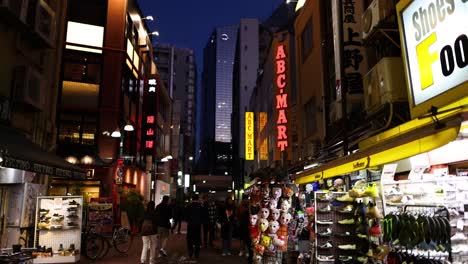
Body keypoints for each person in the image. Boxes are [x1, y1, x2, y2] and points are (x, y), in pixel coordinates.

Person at [186, 194, 204, 259]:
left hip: (190, 224)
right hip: (198, 225)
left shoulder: (189, 206)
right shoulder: (200, 206)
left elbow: (186, 216)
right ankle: (197, 253)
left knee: (189, 238)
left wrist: (188, 220)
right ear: (198, 199)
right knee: (197, 239)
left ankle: (190, 252)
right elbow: (203, 216)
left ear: (192, 199)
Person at [237, 197, 252, 262]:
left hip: (247, 228)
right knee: (243, 240)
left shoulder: (249, 209)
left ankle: (246, 251)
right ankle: (243, 250)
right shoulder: (241, 208)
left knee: (247, 241)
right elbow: (238, 216)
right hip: (243, 227)